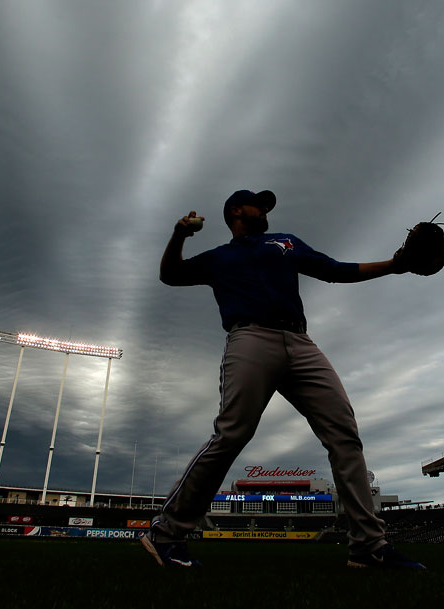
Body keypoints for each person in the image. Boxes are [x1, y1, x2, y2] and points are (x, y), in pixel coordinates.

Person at [141, 189, 428, 570]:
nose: (265, 210)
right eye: (258, 205)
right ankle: (166, 532)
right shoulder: (218, 257)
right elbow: (170, 275)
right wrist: (179, 234)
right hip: (249, 338)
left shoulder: (285, 242)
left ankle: (369, 547)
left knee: (344, 433)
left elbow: (334, 270)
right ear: (237, 211)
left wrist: (393, 265)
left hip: (300, 341)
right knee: (232, 434)